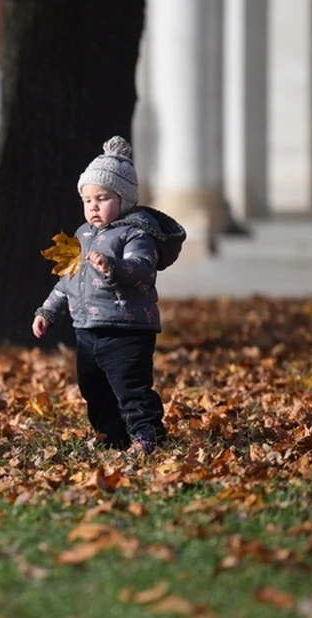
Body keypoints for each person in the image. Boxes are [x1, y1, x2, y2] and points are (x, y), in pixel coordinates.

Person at [31, 136, 186, 458]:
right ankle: (112, 435)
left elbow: (142, 268)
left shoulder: (136, 232)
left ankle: (148, 434)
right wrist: (47, 311)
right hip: (87, 329)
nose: (94, 207)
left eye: (102, 198)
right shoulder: (83, 235)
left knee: (130, 386)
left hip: (127, 329)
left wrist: (112, 266)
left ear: (124, 199)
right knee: (93, 387)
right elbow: (67, 279)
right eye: (87, 200)